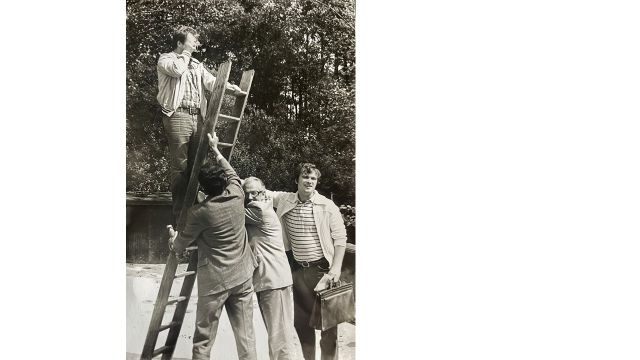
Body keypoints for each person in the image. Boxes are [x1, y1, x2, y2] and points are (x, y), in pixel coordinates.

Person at [168, 132, 258, 360]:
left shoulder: (200, 212)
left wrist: (172, 237)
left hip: (215, 284)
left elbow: (181, 244)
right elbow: (232, 173)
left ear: (203, 190)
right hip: (243, 277)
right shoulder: (237, 193)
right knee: (246, 337)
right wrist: (216, 150)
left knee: (203, 339)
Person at [157, 25, 242, 219]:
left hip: (198, 117)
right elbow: (177, 70)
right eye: (192, 40)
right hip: (177, 115)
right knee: (180, 166)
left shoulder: (196, 64)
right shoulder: (166, 59)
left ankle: (195, 209)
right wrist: (185, 53)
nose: (196, 42)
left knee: (199, 165)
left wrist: (232, 88)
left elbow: (213, 82)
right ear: (180, 43)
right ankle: (180, 216)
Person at [267, 163, 347, 360]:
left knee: (328, 327)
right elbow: (256, 187)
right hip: (297, 270)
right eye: (305, 177)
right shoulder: (285, 199)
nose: (309, 181)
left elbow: (340, 239)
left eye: (313, 178)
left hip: (323, 271)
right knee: (302, 325)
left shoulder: (327, 206)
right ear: (297, 180)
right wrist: (218, 155)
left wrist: (335, 269)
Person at [242, 177, 297, 360]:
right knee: (276, 334)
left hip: (274, 280)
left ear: (263, 193)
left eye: (254, 193)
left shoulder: (259, 210)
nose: (250, 197)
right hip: (268, 280)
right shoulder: (258, 205)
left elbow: (227, 213)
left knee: (280, 338)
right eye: (246, 193)